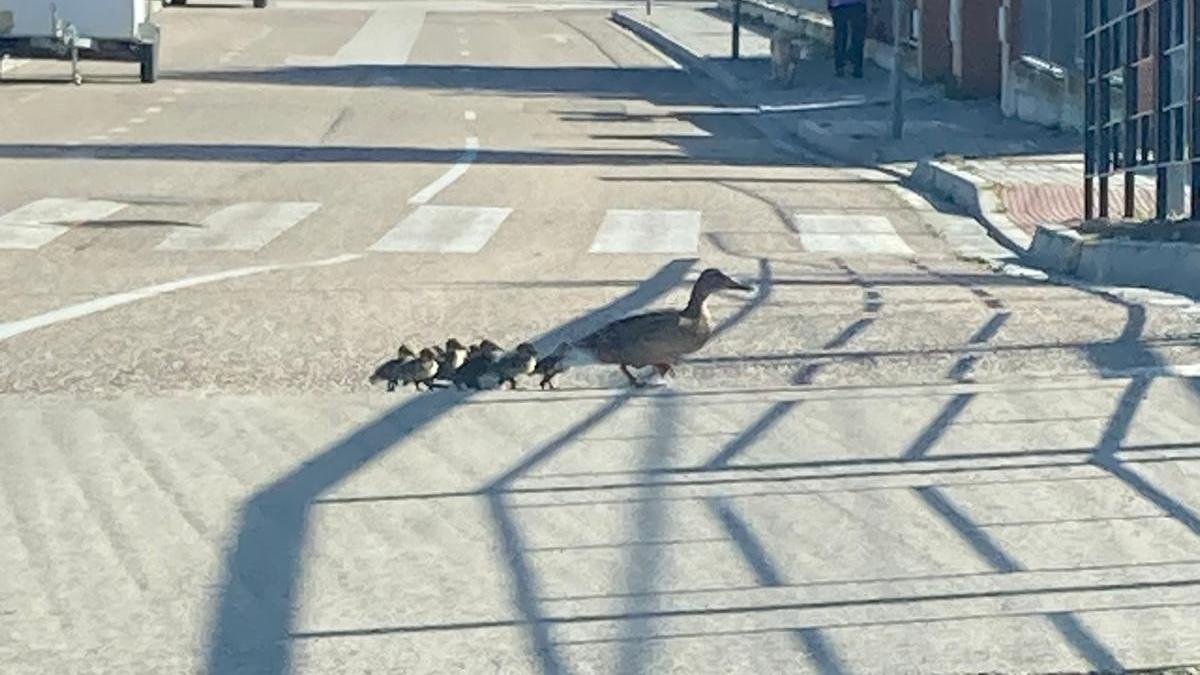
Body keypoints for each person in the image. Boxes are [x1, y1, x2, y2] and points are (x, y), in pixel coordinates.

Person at [829, 0, 867, 78]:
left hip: (838, 5)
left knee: (840, 35)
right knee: (858, 36)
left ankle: (839, 66)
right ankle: (857, 67)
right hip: (858, 4)